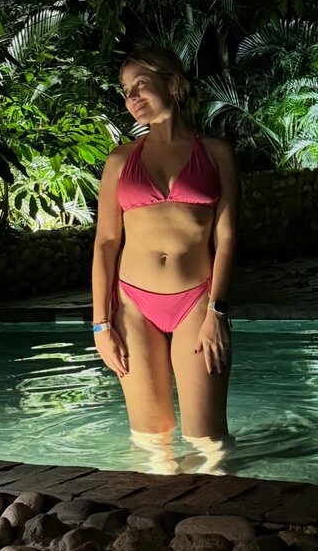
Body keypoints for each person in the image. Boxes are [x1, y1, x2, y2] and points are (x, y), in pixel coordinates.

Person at [91, 45, 239, 473]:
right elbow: (105, 244)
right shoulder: (120, 160)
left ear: (172, 84)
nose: (132, 97)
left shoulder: (216, 153)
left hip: (197, 302)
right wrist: (101, 325)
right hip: (133, 306)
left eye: (141, 85)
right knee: (151, 443)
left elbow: (227, 237)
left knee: (209, 443)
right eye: (125, 90)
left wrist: (217, 311)